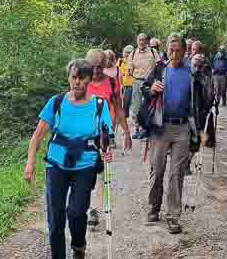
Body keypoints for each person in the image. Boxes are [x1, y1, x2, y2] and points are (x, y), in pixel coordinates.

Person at [24, 59, 115, 259]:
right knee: (55, 217)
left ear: (88, 80)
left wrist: (106, 150)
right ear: (69, 78)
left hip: (85, 165)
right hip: (56, 164)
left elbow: (107, 137)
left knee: (75, 212)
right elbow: (37, 135)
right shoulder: (56, 103)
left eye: (82, 78)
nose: (77, 82)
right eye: (74, 77)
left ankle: (78, 250)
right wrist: (30, 162)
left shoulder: (98, 105)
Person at [141, 34, 213, 234]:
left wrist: (204, 74)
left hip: (182, 128)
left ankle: (173, 216)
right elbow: (143, 88)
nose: (174, 53)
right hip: (160, 126)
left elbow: (208, 97)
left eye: (178, 50)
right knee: (157, 171)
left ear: (184, 51)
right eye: (170, 49)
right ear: (167, 50)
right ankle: (153, 208)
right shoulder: (159, 69)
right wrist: (150, 89)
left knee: (176, 174)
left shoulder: (192, 72)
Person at [85, 49, 133, 227]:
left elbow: (119, 109)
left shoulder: (111, 83)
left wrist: (127, 133)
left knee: (101, 173)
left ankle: (94, 210)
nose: (96, 71)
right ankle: (85, 203)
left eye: (99, 67)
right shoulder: (82, 81)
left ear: (104, 66)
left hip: (104, 135)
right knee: (86, 171)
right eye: (93, 67)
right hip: (84, 135)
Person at [129, 34, 160, 139]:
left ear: (146, 41)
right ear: (137, 41)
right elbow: (130, 69)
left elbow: (159, 65)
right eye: (139, 40)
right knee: (136, 106)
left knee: (148, 106)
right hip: (137, 82)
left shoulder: (153, 52)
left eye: (143, 40)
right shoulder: (133, 53)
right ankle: (137, 129)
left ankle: (147, 129)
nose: (141, 42)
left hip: (149, 83)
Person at [119, 45, 135, 120]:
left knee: (134, 103)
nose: (127, 54)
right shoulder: (120, 61)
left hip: (133, 84)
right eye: (126, 52)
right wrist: (120, 84)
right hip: (124, 85)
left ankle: (135, 120)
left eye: (129, 52)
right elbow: (117, 73)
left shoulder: (134, 61)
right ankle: (125, 118)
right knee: (125, 103)